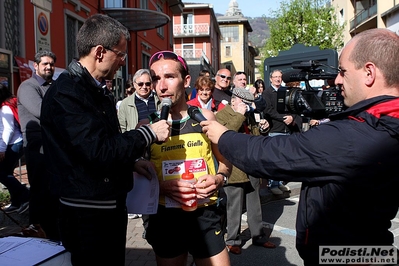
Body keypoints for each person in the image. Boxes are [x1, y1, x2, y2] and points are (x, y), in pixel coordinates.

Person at [201, 28, 399, 265]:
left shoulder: (354, 136)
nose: (336, 80)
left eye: (343, 72)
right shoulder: (385, 122)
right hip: (371, 249)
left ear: (369, 72)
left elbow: (274, 155)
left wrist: (222, 136)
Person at [40, 14, 170, 266]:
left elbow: (102, 142)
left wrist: (130, 163)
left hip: (106, 207)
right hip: (86, 215)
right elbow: (98, 152)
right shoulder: (67, 93)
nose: (123, 61)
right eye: (120, 54)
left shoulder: (96, 89)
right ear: (100, 52)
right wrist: (148, 133)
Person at [145, 50, 232, 266]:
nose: (161, 86)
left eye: (169, 77)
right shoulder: (146, 128)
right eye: (156, 78)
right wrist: (162, 187)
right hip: (166, 218)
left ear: (185, 81)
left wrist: (219, 179)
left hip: (204, 215)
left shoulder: (205, 118)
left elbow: (226, 162)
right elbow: (136, 178)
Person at [215, 87, 274, 255]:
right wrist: (240, 115)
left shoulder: (248, 116)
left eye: (249, 104)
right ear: (233, 100)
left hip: (250, 166)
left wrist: (263, 128)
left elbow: (255, 138)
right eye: (244, 103)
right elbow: (224, 136)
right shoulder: (221, 115)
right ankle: (233, 240)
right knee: (234, 206)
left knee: (255, 204)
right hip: (233, 167)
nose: (247, 107)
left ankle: (259, 236)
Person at [17, 50, 59, 239]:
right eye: (45, 64)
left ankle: (50, 229)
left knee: (52, 189)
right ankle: (36, 229)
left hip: (55, 145)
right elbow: (42, 111)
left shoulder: (55, 86)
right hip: (37, 147)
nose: (49, 67)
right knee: (40, 189)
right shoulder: (28, 87)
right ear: (35, 66)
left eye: (51, 64)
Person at [262, 69, 299, 195]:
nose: (278, 79)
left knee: (283, 159)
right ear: (271, 78)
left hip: (287, 129)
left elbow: (293, 106)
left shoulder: (285, 90)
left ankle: (280, 183)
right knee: (274, 159)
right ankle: (273, 185)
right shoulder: (267, 93)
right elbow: (268, 110)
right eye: (275, 77)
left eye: (280, 77)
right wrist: (283, 118)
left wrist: (292, 117)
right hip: (275, 129)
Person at [0, 84, 30, 214]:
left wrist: (1, 148)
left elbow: (8, 129)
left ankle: (25, 196)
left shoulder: (5, 107)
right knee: (7, 173)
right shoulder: (7, 104)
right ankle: (17, 202)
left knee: (2, 174)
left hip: (13, 144)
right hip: (14, 143)